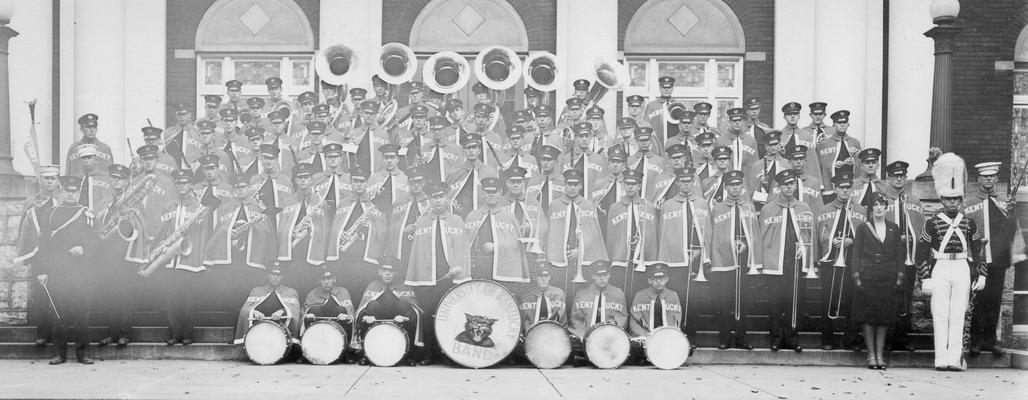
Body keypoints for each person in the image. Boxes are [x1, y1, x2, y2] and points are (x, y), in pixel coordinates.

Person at [915, 153, 986, 371]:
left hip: (962, 268)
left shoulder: (969, 224)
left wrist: (982, 273)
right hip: (941, 267)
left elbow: (978, 250)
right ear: (942, 200)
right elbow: (921, 252)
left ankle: (955, 358)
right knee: (940, 313)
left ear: (961, 200)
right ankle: (941, 358)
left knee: (958, 313)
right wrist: (925, 277)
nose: (952, 202)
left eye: (956, 199)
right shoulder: (932, 223)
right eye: (948, 199)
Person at [34, 176, 99, 364]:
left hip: (81, 271)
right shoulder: (51, 214)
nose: (71, 194)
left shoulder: (87, 214)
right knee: (58, 312)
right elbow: (43, 243)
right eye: (68, 191)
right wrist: (42, 270)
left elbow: (96, 240)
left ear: (79, 192)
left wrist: (83, 248)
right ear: (61, 191)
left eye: (75, 191)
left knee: (82, 312)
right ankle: (59, 353)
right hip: (58, 270)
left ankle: (82, 353)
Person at [404, 181, 469, 364]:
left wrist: (458, 270)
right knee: (427, 315)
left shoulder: (457, 221)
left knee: (449, 315)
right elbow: (417, 252)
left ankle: (448, 354)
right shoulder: (422, 222)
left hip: (450, 276)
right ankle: (428, 353)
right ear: (429, 200)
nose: (438, 201)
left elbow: (463, 250)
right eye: (434, 197)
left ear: (447, 198)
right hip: (429, 278)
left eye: (441, 196)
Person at [964, 161, 1022, 356]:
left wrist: (1012, 213)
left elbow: (1011, 231)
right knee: (977, 299)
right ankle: (975, 341)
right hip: (978, 259)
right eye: (984, 176)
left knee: (994, 302)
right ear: (979, 179)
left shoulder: (1005, 203)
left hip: (998, 259)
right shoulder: (970, 203)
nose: (988, 179)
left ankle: (990, 341)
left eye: (992, 176)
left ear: (996, 179)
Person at [759, 169, 819, 352]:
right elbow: (762, 236)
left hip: (796, 261)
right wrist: (762, 262)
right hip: (774, 261)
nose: (789, 187)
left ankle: (793, 338)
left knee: (795, 301)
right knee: (776, 302)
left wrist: (807, 253)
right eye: (785, 184)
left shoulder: (803, 208)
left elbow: (810, 235)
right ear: (778, 187)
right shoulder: (768, 208)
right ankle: (776, 338)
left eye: (792, 183)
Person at [155, 169, 213, 346]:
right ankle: (174, 333)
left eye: (185, 183)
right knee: (171, 300)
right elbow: (162, 230)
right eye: (178, 183)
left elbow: (204, 233)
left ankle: (187, 334)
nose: (181, 186)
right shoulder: (169, 205)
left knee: (188, 300)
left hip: (189, 260)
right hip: (170, 260)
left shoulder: (199, 207)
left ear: (190, 185)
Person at [94, 164, 147, 347]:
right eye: (114, 178)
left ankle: (124, 334)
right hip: (106, 254)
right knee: (109, 295)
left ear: (127, 181)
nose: (117, 181)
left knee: (124, 295)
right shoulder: (105, 201)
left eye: (121, 179)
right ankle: (111, 332)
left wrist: (130, 217)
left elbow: (141, 227)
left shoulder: (134, 202)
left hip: (125, 253)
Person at [850, 192, 905, 369]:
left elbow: (899, 254)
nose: (879, 208)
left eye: (882, 204)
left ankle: (880, 356)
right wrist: (856, 276)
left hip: (887, 276)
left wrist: (899, 275)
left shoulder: (894, 228)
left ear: (886, 208)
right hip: (868, 276)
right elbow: (856, 254)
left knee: (883, 318)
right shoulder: (863, 228)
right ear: (871, 208)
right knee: (868, 317)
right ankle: (871, 355)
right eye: (876, 205)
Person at [708, 169, 757, 350]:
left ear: (742, 186)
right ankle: (724, 338)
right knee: (724, 301)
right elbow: (715, 235)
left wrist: (745, 245)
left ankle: (742, 338)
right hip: (723, 261)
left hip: (743, 260)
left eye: (738, 184)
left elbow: (754, 233)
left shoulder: (748, 207)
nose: (735, 188)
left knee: (742, 302)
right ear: (726, 187)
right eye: (731, 185)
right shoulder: (718, 208)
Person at [815, 171, 864, 350]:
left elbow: (865, 235)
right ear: (835, 188)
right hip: (831, 260)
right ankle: (827, 338)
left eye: (848, 187)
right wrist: (831, 242)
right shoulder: (825, 209)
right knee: (828, 298)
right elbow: (819, 234)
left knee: (853, 299)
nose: (845, 191)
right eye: (841, 188)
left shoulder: (859, 210)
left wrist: (852, 241)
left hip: (852, 260)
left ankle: (851, 338)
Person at [14, 165, 62, 347]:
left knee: (59, 293)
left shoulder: (63, 200)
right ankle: (43, 333)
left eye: (53, 178)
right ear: (41, 180)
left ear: (58, 180)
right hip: (39, 253)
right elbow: (25, 228)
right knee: (41, 294)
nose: (49, 182)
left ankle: (60, 333)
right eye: (46, 179)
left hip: (59, 254)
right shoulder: (32, 201)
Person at [881, 160, 926, 352]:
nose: (899, 179)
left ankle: (903, 338)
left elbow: (922, 229)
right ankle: (889, 339)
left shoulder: (914, 201)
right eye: (895, 176)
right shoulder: (881, 201)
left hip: (910, 258)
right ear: (889, 178)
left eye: (902, 176)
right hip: (889, 260)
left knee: (906, 299)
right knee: (890, 298)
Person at [546, 169, 608, 293]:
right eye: (569, 184)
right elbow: (551, 233)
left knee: (581, 292)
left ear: (580, 185)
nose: (572, 188)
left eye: (575, 185)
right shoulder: (555, 205)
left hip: (583, 258)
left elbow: (593, 233)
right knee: (562, 290)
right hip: (561, 258)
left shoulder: (588, 205)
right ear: (565, 184)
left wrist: (580, 250)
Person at [355, 256, 424, 366]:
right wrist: (365, 317)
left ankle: (408, 356)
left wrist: (406, 317)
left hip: (400, 321)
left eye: (390, 271)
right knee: (372, 305)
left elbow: (416, 310)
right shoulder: (373, 285)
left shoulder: (404, 285)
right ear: (379, 272)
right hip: (376, 321)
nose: (387, 274)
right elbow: (361, 309)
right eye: (384, 271)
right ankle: (367, 354)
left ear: (395, 272)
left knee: (404, 304)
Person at [464, 177, 530, 286]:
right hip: (477, 268)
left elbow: (517, 245)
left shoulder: (509, 217)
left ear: (500, 193)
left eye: (494, 192)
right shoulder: (472, 216)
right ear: (482, 193)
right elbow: (464, 245)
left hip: (502, 266)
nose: (491, 195)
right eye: (488, 192)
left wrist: (496, 246)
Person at [605, 170, 658, 294]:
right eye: (627, 183)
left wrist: (642, 243)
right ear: (623, 184)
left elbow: (653, 235)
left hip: (643, 260)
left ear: (639, 186)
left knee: (640, 293)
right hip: (621, 260)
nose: (630, 186)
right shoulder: (615, 208)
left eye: (633, 184)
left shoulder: (648, 207)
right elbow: (611, 237)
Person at [568, 260, 628, 366]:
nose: (602, 278)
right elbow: (576, 320)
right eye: (598, 275)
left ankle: (587, 359)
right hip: (585, 339)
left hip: (609, 339)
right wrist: (584, 337)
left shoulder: (618, 294)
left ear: (609, 275)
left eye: (605, 274)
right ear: (592, 276)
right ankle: (588, 355)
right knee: (570, 344)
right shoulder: (581, 294)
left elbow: (622, 319)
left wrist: (608, 335)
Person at [232, 266, 303, 348]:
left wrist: (282, 311)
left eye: (278, 275)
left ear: (283, 276)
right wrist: (254, 312)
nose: (275, 277)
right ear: (267, 275)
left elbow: (295, 310)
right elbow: (245, 309)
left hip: (281, 328)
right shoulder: (257, 290)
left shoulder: (291, 291)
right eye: (272, 274)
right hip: (259, 325)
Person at [628, 263, 683, 365]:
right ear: (649, 280)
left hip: (666, 338)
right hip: (645, 337)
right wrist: (647, 337)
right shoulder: (640, 295)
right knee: (633, 346)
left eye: (662, 278)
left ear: (667, 279)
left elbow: (676, 320)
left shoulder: (673, 295)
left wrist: (667, 337)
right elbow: (634, 322)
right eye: (655, 278)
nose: (659, 281)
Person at [302, 270, 355, 363]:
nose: (326, 282)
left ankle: (345, 352)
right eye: (323, 279)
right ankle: (308, 353)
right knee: (313, 310)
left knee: (341, 310)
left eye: (329, 279)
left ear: (334, 279)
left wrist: (346, 315)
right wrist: (308, 314)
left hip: (337, 327)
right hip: (319, 330)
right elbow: (304, 311)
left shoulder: (342, 291)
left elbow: (350, 310)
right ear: (319, 280)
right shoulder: (313, 293)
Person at [816, 110, 862, 194]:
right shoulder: (824, 144)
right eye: (839, 122)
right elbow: (819, 166)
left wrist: (853, 163)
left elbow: (860, 165)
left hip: (851, 187)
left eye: (844, 122)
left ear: (848, 124)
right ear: (833, 124)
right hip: (830, 188)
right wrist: (833, 165)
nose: (842, 124)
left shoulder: (855, 143)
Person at [717, 108, 759, 173]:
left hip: (746, 181)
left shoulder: (751, 141)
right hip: (726, 179)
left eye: (739, 120)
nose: (737, 122)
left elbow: (756, 164)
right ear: (729, 122)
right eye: (734, 120)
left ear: (743, 122)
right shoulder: (721, 141)